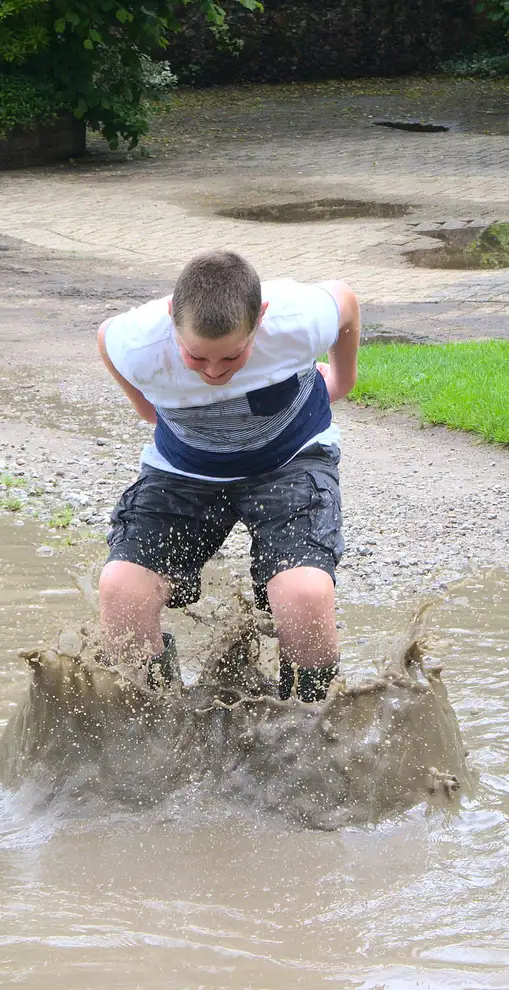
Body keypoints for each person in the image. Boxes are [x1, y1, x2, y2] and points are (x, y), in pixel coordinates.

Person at [96, 249, 360, 702]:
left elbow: (347, 303)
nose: (214, 372)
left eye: (232, 357)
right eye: (196, 358)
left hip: (290, 460)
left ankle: (309, 733)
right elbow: (105, 339)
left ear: (260, 319)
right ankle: (158, 722)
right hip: (185, 471)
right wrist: (150, 411)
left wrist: (342, 381)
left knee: (305, 595)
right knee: (121, 590)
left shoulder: (297, 319)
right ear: (170, 321)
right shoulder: (138, 343)